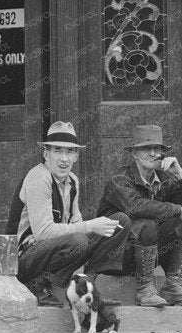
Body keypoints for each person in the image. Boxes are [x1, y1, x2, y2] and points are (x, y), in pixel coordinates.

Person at [10, 120, 131, 304]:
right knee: (78, 240)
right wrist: (87, 226)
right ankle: (36, 284)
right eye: (57, 151)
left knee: (119, 222)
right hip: (20, 260)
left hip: (44, 248)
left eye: (69, 152)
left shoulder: (72, 180)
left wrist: (55, 233)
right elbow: (45, 233)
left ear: (76, 156)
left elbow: (74, 224)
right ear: (46, 154)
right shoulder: (40, 177)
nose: (64, 159)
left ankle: (88, 285)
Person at [95, 123, 182, 308]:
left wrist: (181, 176)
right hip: (120, 255)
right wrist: (178, 209)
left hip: (150, 252)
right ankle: (145, 289)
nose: (154, 153)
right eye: (147, 148)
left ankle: (173, 286)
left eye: (158, 149)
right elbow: (135, 206)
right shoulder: (119, 179)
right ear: (134, 153)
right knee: (147, 223)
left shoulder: (165, 179)